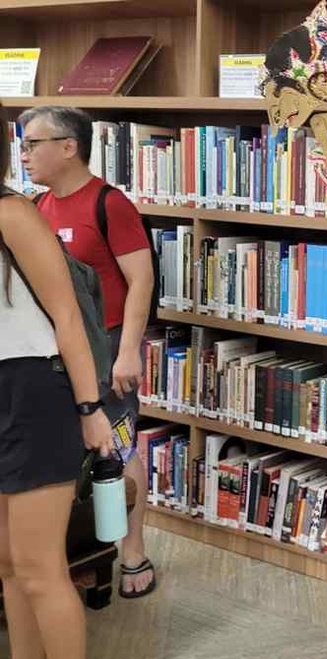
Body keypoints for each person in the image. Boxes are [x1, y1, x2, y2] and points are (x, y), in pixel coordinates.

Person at [18, 106, 156, 599]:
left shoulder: (109, 203)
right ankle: (88, 554)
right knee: (76, 455)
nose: (24, 152)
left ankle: (133, 549)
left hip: (111, 345)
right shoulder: (34, 207)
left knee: (118, 447)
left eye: (33, 143)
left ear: (69, 146)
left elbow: (141, 279)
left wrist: (129, 354)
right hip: (60, 352)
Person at [0, 119, 115, 659]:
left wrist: (90, 407)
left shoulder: (13, 214)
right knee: (9, 566)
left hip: (34, 391)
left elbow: (67, 317)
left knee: (41, 568)